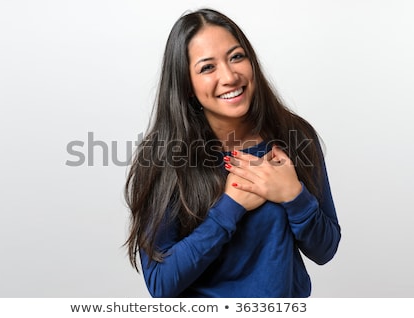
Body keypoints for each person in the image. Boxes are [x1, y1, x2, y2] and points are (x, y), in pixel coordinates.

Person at [124, 8, 341, 298]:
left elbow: (325, 250)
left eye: (236, 57)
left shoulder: (296, 137)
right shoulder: (163, 157)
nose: (229, 76)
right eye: (207, 67)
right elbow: (161, 284)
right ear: (188, 86)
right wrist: (230, 207)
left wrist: (293, 195)